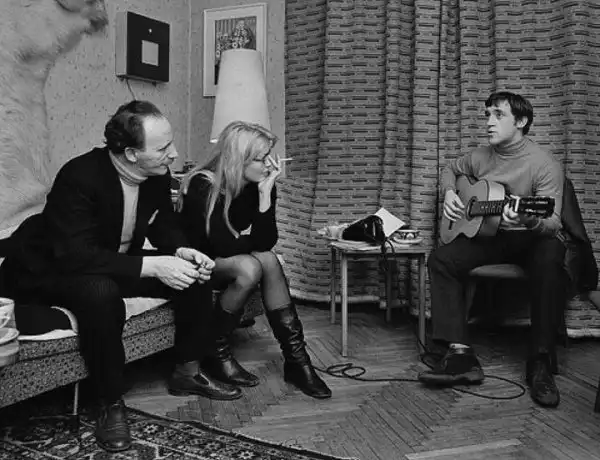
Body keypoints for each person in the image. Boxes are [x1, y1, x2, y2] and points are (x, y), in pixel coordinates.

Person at [0, 101, 242, 453]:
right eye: (163, 148)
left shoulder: (156, 175)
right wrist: (154, 266)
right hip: (47, 268)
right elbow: (76, 255)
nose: (174, 153)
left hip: (110, 259)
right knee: (101, 293)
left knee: (193, 276)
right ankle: (109, 402)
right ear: (130, 153)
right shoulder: (80, 176)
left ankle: (187, 371)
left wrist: (180, 252)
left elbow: (163, 225)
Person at [419, 92, 566, 408]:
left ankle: (540, 362)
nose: (489, 122)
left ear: (521, 121)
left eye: (498, 115)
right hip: (492, 236)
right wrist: (449, 193)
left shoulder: (545, 164)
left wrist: (528, 218)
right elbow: (449, 169)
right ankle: (460, 354)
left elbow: (553, 223)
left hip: (532, 239)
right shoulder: (480, 156)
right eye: (487, 114)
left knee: (551, 256)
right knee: (441, 260)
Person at [177, 121, 332, 400]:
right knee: (249, 266)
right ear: (239, 159)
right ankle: (217, 351)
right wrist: (246, 242)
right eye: (262, 158)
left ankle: (298, 362)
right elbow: (222, 245)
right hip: (194, 261)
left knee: (268, 259)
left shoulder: (256, 184)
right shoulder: (203, 184)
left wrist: (265, 194)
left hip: (222, 259)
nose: (270, 164)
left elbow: (265, 242)